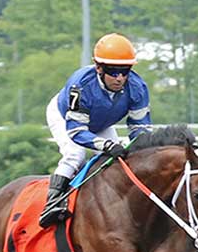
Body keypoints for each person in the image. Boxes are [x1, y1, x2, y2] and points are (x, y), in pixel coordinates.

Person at [39, 33, 151, 227]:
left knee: (119, 159)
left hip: (101, 122)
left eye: (125, 71)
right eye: (113, 72)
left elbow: (140, 129)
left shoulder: (138, 87)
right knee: (76, 154)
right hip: (65, 117)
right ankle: (53, 202)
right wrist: (107, 144)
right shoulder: (80, 85)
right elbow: (76, 132)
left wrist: (139, 147)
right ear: (99, 68)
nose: (120, 78)